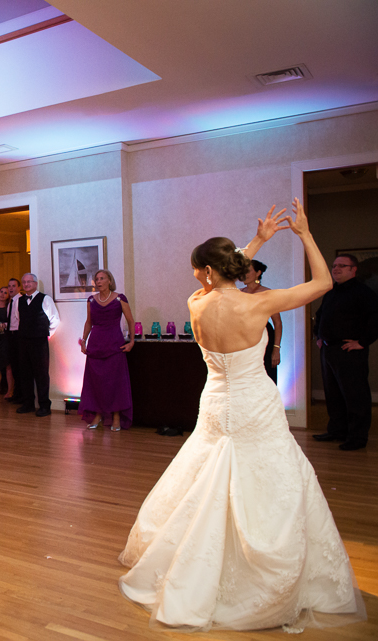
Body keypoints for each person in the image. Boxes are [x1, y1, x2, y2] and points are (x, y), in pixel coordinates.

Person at [119, 200, 365, 632]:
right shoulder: (260, 305)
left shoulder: (197, 302)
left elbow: (220, 278)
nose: (195, 275)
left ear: (206, 274)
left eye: (197, 268)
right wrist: (303, 233)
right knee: (268, 476)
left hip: (215, 401)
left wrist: (256, 241)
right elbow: (324, 281)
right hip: (254, 403)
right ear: (231, 267)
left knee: (207, 472)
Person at [312, 253, 378, 451]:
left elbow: (375, 319)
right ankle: (337, 431)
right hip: (329, 350)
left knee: (355, 395)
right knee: (333, 395)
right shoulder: (331, 292)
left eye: (342, 266)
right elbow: (320, 316)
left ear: (353, 269)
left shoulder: (363, 293)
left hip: (349, 351)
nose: (336, 269)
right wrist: (319, 336)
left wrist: (363, 342)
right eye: (334, 266)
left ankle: (357, 437)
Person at [78, 270, 134, 430]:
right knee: (95, 382)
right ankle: (98, 414)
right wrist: (84, 341)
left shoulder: (119, 298)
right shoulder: (91, 300)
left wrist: (131, 342)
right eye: (97, 279)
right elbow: (89, 322)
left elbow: (130, 320)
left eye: (102, 278)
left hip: (114, 344)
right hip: (96, 345)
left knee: (114, 382)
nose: (99, 281)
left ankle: (116, 416)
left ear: (110, 280)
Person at [15, 273, 60, 417]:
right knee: (25, 373)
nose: (26, 284)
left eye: (29, 282)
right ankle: (28, 404)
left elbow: (55, 320)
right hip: (23, 341)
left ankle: (45, 406)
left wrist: (46, 335)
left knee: (41, 374)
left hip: (39, 342)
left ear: (35, 284)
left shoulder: (45, 299)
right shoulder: (19, 301)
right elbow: (18, 318)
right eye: (24, 282)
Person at [239, 259, 282, 382]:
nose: (244, 274)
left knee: (266, 374)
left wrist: (276, 349)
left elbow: (277, 323)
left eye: (247, 271)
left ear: (258, 273)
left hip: (264, 336)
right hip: (243, 338)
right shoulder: (239, 293)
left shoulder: (267, 293)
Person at [4, 278, 22, 402]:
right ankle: (16, 394)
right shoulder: (10, 303)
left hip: (18, 335)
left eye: (13, 286)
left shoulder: (20, 301)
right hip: (10, 335)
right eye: (9, 286)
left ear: (19, 287)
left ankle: (20, 395)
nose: (11, 288)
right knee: (14, 366)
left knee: (19, 366)